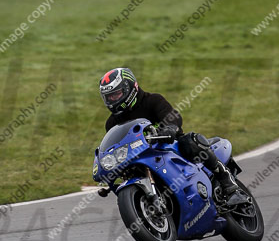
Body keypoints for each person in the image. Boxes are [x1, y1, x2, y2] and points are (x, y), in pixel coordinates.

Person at [99, 67, 249, 208]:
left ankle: (229, 186)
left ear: (130, 88)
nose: (112, 100)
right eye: (109, 97)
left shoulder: (152, 101)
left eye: (116, 94)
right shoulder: (112, 123)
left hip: (169, 147)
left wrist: (170, 128)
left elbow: (172, 117)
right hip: (141, 158)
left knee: (190, 141)